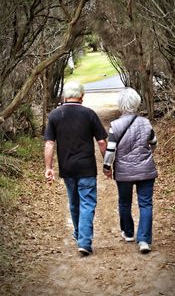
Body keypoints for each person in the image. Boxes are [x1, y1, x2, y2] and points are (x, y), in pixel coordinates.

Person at [44, 81, 107, 256]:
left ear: (64, 96)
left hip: (67, 168)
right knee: (87, 203)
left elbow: (49, 143)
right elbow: (102, 142)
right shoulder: (89, 114)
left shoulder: (55, 115)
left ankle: (80, 236)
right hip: (87, 167)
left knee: (74, 203)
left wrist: (48, 168)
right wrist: (108, 164)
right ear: (81, 96)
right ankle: (84, 242)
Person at [103, 87, 158, 254]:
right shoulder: (146, 123)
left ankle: (128, 233)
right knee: (146, 204)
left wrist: (107, 167)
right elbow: (153, 142)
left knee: (124, 202)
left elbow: (111, 150)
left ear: (121, 104)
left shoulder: (115, 126)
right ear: (137, 103)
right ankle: (144, 240)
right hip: (146, 170)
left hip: (124, 172)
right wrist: (146, 154)